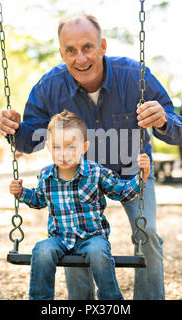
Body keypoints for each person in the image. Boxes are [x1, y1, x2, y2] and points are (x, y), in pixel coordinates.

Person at [0, 12, 182, 300]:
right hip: (76, 175)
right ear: (62, 53)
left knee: (147, 237)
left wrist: (161, 120)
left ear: (103, 46)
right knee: (73, 235)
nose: (80, 58)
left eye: (87, 47)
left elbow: (178, 132)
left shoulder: (134, 77)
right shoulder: (49, 87)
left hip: (131, 172)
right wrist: (11, 128)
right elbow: (29, 139)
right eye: (71, 50)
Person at [9, 110, 151, 300]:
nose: (63, 154)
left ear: (84, 147)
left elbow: (122, 192)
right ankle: (40, 300)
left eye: (71, 147)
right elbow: (39, 200)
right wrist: (21, 193)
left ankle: (111, 300)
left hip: (92, 237)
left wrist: (141, 176)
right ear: (49, 148)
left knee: (98, 253)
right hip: (60, 238)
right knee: (41, 250)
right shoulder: (46, 176)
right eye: (57, 147)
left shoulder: (95, 172)